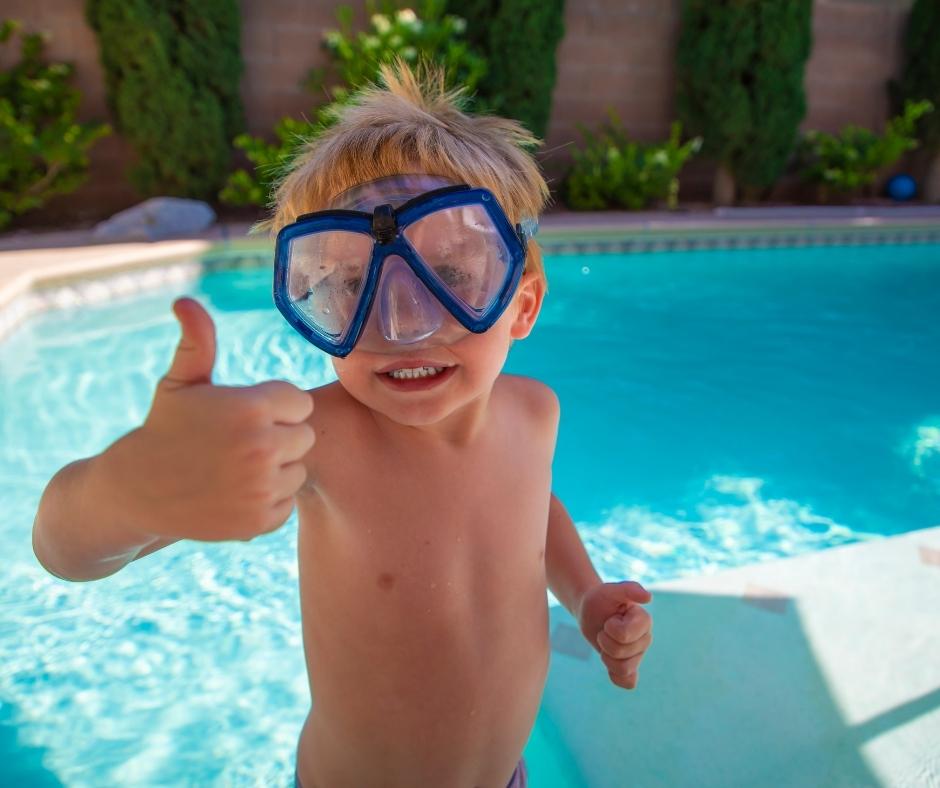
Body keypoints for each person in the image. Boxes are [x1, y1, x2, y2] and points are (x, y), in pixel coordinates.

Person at [31, 60, 654, 787]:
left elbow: (532, 510)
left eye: (450, 277)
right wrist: (127, 490)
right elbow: (61, 553)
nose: (403, 325)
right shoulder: (313, 438)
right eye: (353, 286)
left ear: (520, 303)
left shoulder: (534, 411)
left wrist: (585, 594)